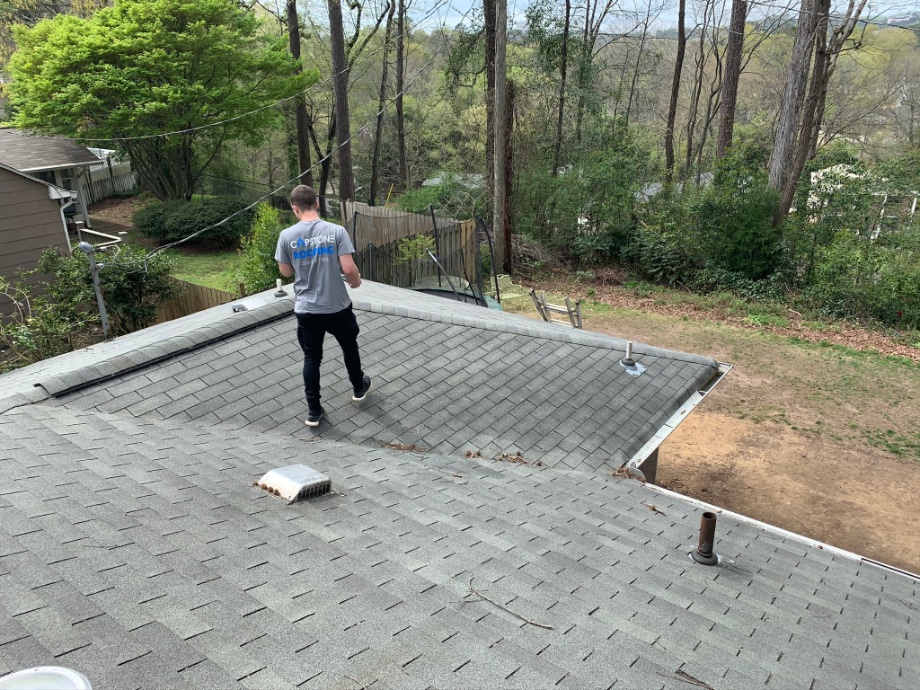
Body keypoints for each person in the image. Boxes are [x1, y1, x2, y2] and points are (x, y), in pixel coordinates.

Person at [275, 185, 371, 427]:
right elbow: (348, 269)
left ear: (295, 209)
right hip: (337, 306)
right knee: (349, 347)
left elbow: (285, 272)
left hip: (307, 310)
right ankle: (359, 388)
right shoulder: (336, 231)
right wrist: (355, 281)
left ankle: (313, 411)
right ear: (317, 204)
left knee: (311, 359)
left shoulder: (286, 236)